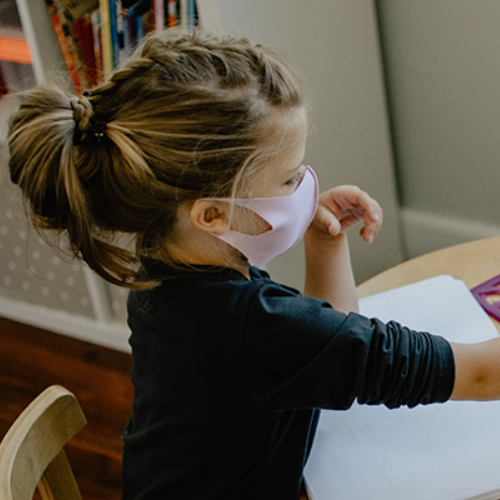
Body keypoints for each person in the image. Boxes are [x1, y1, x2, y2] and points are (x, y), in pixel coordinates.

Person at [7, 28, 500, 500]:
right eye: (289, 181)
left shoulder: (165, 267)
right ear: (214, 214)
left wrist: (321, 237)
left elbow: (324, 340)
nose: (306, 185)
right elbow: (479, 375)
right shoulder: (252, 327)